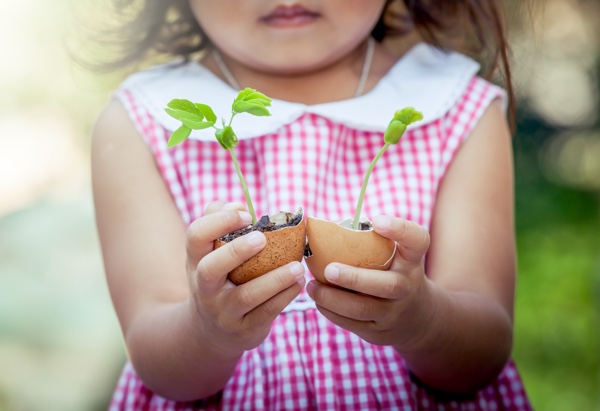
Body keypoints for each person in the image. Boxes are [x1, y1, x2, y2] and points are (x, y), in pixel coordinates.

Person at [90, 0, 532, 409]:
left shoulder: (454, 109)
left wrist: (422, 321)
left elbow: (481, 354)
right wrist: (208, 330)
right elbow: (160, 362)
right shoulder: (140, 122)